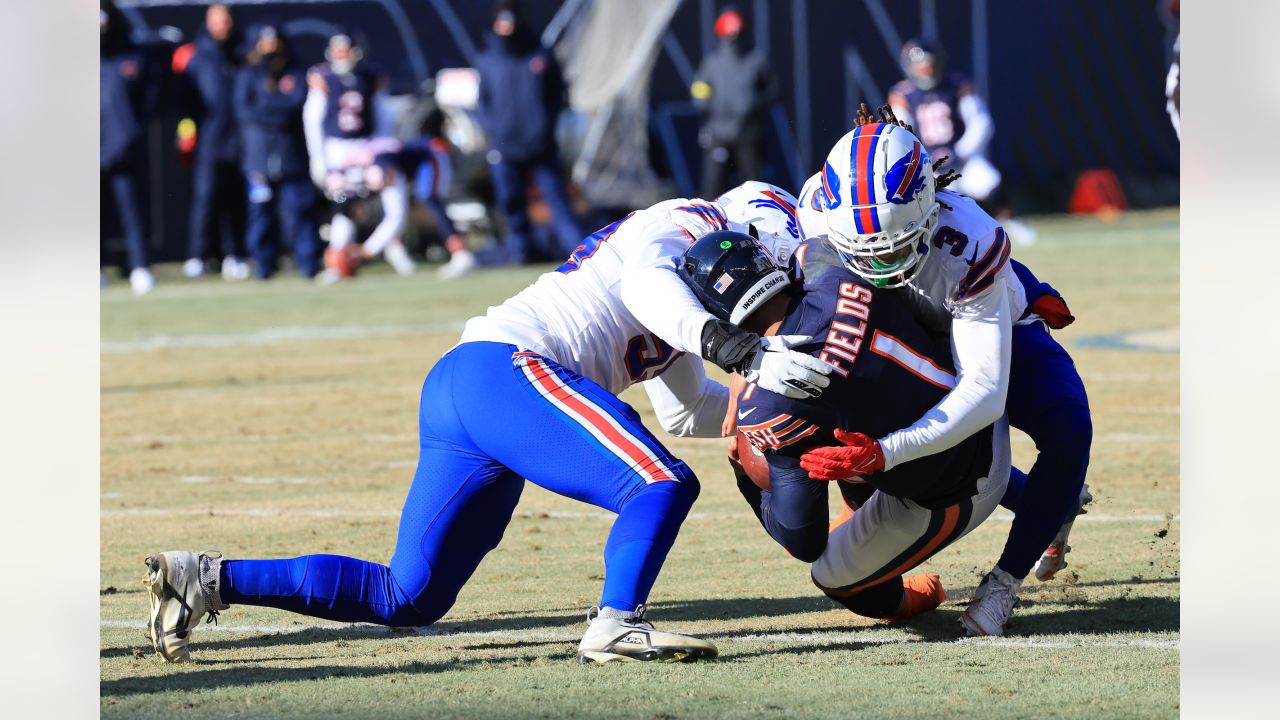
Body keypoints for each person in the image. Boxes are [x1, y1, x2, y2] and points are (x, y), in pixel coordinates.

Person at [143, 198, 830, 665]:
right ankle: (617, 622)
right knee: (658, 483)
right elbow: (651, 288)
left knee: (408, 597)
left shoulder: (690, 301)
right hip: (504, 369)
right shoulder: (679, 227)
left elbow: (688, 413)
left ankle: (206, 579)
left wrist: (788, 408)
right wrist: (736, 348)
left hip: (471, 389)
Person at [795, 106, 1092, 636]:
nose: (882, 269)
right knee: (933, 449)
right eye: (865, 254)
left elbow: (984, 389)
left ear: (929, 209)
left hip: (986, 324)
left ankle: (1003, 581)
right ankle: (1045, 502)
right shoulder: (818, 208)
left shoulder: (966, 241)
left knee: (1068, 428)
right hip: (903, 331)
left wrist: (887, 451)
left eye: (896, 249)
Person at [682, 232, 1009, 623]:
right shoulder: (827, 258)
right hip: (978, 407)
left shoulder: (766, 406)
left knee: (830, 573)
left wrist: (745, 475)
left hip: (958, 488)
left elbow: (802, 536)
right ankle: (1045, 505)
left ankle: (912, 599)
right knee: (843, 429)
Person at [474, 0, 583, 264]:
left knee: (557, 201)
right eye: (502, 21)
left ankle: (580, 253)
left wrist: (546, 127)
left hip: (540, 144)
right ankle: (523, 251)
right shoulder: (487, 60)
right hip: (504, 147)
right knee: (510, 201)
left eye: (511, 21)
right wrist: (495, 133)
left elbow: (557, 96)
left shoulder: (540, 55)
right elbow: (483, 103)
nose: (507, 27)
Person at [304, 33, 416, 280]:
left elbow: (383, 117)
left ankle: (373, 251)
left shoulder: (371, 76)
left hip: (368, 148)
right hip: (338, 152)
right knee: (345, 207)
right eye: (339, 51)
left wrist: (380, 152)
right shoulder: (324, 78)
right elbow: (312, 120)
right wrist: (318, 158)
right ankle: (338, 260)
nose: (343, 56)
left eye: (346, 50)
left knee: (395, 204)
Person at [234, 22, 320, 279]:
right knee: (261, 215)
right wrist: (275, 111)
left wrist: (269, 110)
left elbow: (295, 106)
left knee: (299, 211)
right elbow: (244, 111)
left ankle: (307, 264)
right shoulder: (249, 75)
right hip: (258, 157)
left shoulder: (295, 73)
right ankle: (264, 266)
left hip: (291, 155)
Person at [172, 3, 250, 281]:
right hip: (209, 138)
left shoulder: (243, 53)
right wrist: (189, 135)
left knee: (236, 201)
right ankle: (198, 256)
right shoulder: (195, 56)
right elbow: (184, 102)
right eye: (217, 20)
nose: (222, 25)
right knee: (205, 198)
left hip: (240, 140)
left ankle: (235, 255)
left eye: (226, 20)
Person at [691, 6, 778, 198]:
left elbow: (774, 91)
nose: (733, 42)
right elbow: (698, 93)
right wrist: (711, 104)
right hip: (718, 135)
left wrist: (754, 103)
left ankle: (759, 226)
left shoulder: (757, 61)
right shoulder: (711, 64)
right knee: (712, 190)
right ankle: (711, 227)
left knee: (756, 189)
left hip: (748, 135)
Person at [100, 1, 155, 295]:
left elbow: (148, 98)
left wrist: (131, 132)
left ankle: (140, 268)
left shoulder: (131, 54)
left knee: (132, 213)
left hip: (124, 148)